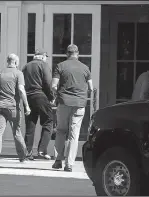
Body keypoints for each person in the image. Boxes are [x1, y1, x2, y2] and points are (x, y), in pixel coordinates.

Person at [52, 44, 93, 172]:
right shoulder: (85, 68)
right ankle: (69, 164)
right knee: (73, 134)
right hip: (79, 104)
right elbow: (91, 88)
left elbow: (54, 85)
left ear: (67, 54)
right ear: (77, 53)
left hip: (64, 102)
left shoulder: (60, 66)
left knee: (61, 131)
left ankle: (58, 160)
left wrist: (56, 96)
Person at [0, 53, 31, 165]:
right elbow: (21, 90)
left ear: (7, 62)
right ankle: (23, 156)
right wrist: (26, 105)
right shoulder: (18, 73)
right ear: (16, 62)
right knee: (17, 131)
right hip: (12, 106)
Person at [22, 49, 55, 160]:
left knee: (30, 124)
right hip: (40, 95)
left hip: (28, 97)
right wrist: (51, 97)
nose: (46, 59)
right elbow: (48, 82)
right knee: (48, 121)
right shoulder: (43, 65)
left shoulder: (26, 66)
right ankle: (42, 150)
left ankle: (28, 152)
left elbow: (21, 83)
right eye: (46, 57)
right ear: (42, 56)